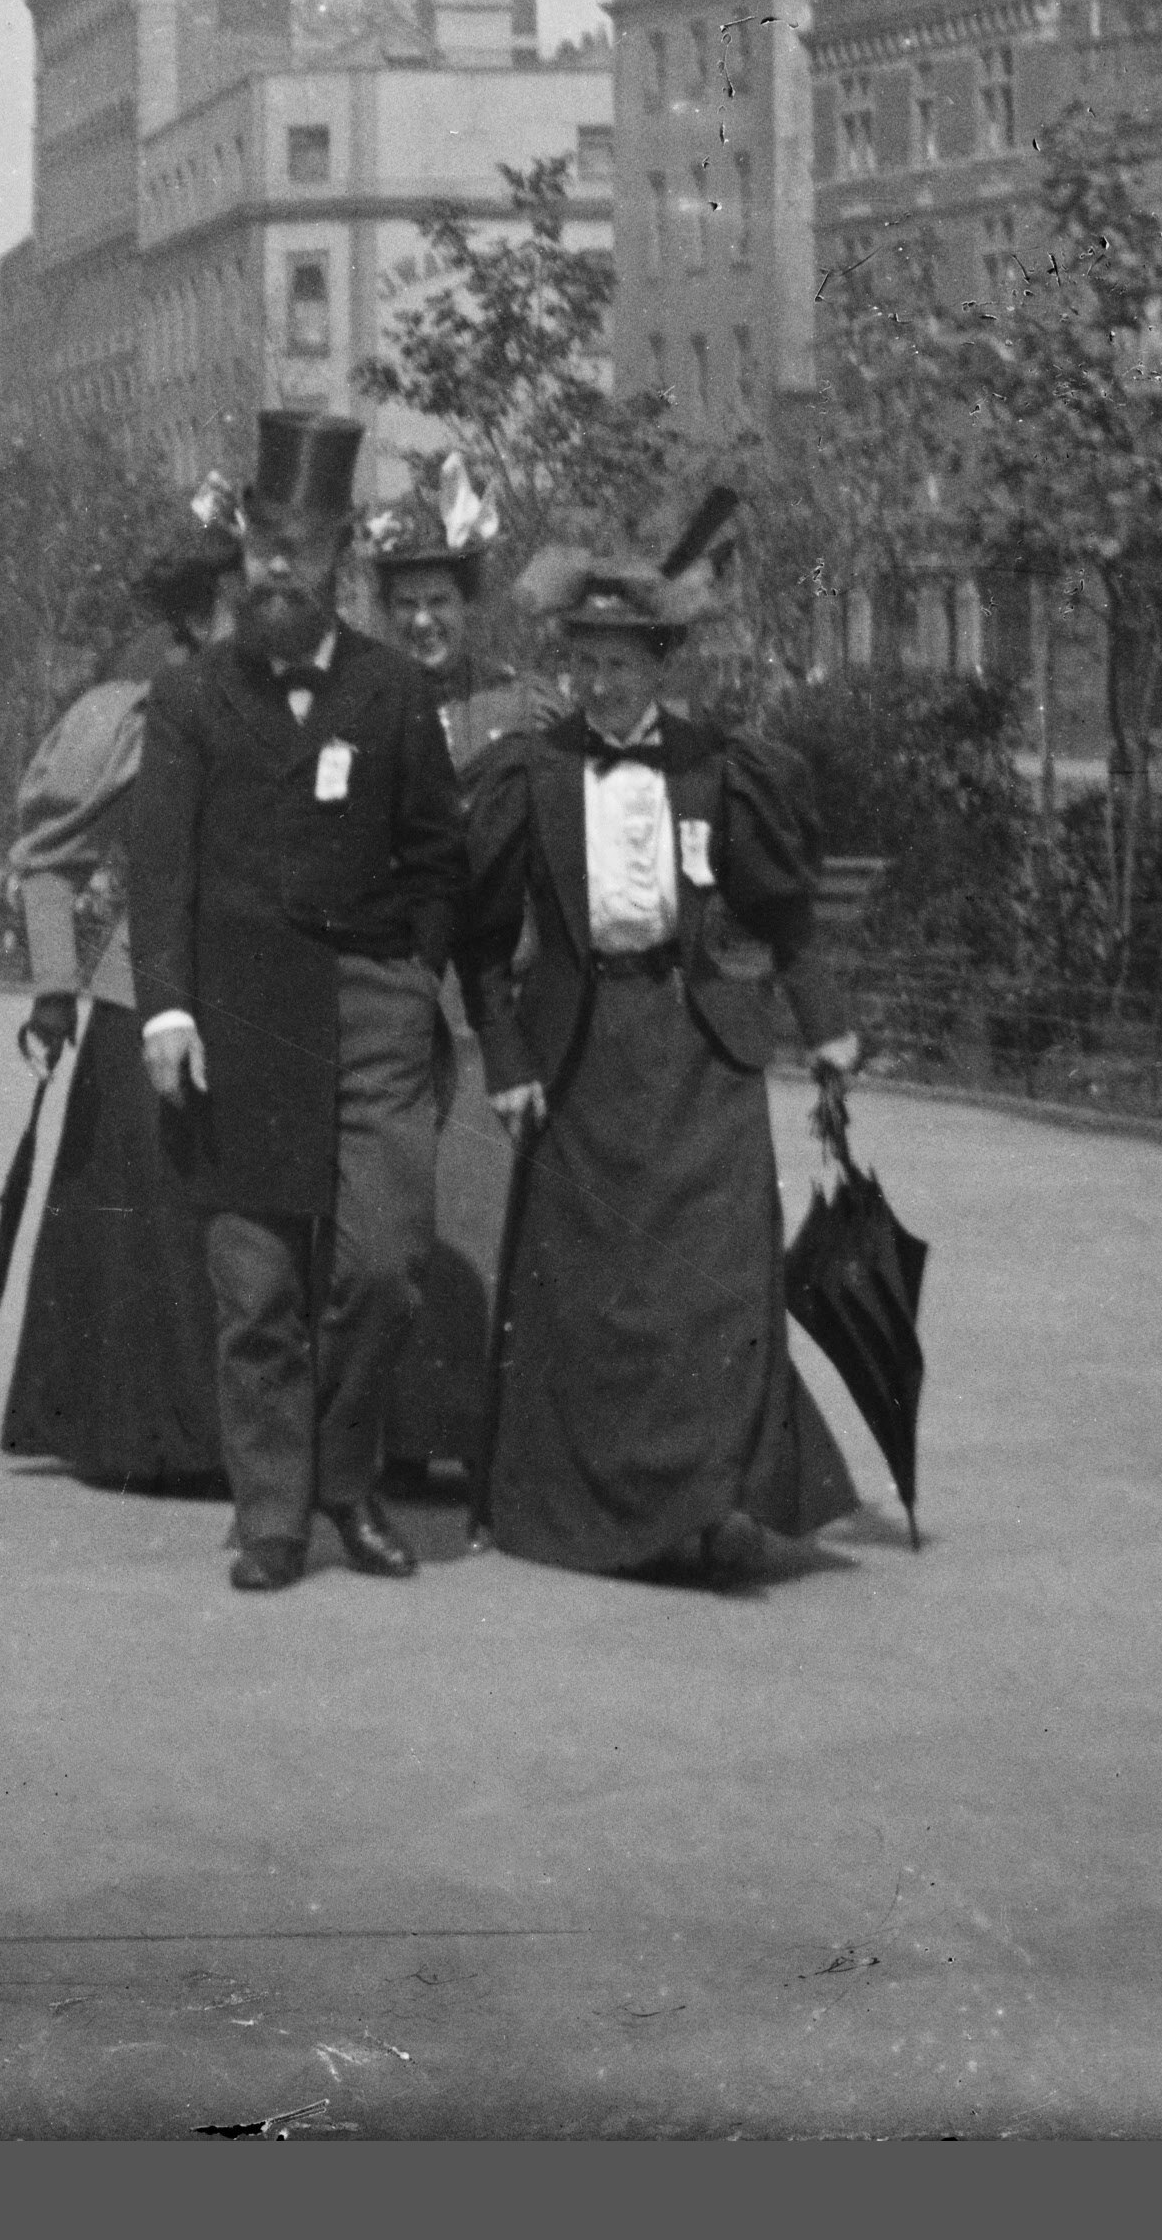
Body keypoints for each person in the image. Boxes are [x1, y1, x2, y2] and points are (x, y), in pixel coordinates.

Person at [458, 541, 866, 1586]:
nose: (599, 684)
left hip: (696, 1048)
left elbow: (780, 912)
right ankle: (596, 1516)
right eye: (584, 662)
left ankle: (716, 1504)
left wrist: (824, 1027)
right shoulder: (529, 772)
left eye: (620, 664)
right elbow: (480, 940)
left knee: (716, 1286)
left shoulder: (716, 767)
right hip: (577, 1056)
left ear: (660, 663)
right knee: (593, 1295)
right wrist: (505, 1057)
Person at [129, 410, 466, 1592]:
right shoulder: (190, 698)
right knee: (259, 1287)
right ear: (242, 550)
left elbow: (437, 854)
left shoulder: (388, 691)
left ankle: (347, 1475)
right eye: (263, 541)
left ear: (338, 559)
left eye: (304, 544)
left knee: (383, 1266)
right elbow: (158, 868)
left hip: (371, 1017)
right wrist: (167, 1010)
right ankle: (273, 1512)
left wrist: (410, 974)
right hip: (239, 1023)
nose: (279, 563)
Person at [0, 495, 248, 1492]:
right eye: (240, 605)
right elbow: (49, 856)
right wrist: (54, 986)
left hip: (266, 1006)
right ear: (193, 615)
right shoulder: (133, 717)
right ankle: (155, 1435)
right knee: (155, 1228)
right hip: (142, 1003)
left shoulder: (311, 709)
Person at [361, 458, 534, 1508]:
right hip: (389, 993)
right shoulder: (360, 707)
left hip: (482, 1004)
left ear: (469, 606)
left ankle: (474, 1429)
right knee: (390, 1214)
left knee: (475, 1214)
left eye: (440, 602)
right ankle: (390, 1430)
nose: (424, 621)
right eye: (406, 604)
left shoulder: (519, 708)